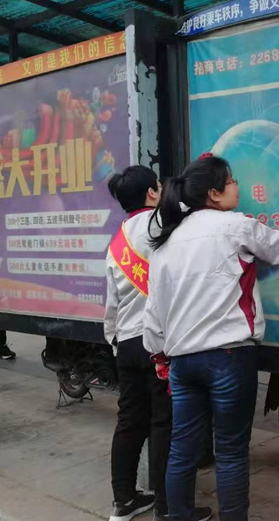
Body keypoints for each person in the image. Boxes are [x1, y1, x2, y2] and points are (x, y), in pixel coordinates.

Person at [143, 155, 279, 521]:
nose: (237, 186)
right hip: (229, 357)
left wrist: (159, 354)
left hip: (182, 361)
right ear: (213, 194)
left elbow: (154, 313)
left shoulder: (167, 240)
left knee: (182, 449)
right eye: (230, 181)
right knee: (230, 451)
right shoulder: (236, 226)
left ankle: (178, 516)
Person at [104, 166, 211, 521]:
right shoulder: (164, 223)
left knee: (129, 422)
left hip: (127, 341)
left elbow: (112, 304)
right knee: (164, 424)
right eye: (159, 187)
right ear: (152, 193)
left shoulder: (117, 241)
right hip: (159, 342)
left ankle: (124, 501)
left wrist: (115, 341)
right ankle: (168, 508)